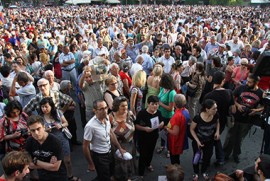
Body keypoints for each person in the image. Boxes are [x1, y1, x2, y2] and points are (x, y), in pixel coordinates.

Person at [223, 73, 264, 163]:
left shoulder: (260, 92)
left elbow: (264, 106)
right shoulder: (241, 87)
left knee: (239, 139)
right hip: (236, 117)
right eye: (247, 81)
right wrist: (237, 105)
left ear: (256, 83)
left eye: (250, 82)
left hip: (247, 120)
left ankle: (236, 155)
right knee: (230, 136)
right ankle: (225, 154)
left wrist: (256, 110)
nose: (247, 83)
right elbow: (232, 96)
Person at [82, 99, 125, 181]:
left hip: (109, 151)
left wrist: (119, 148)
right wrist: (91, 163)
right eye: (101, 109)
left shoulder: (107, 118)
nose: (105, 111)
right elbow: (85, 146)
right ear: (94, 110)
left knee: (110, 173)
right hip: (99, 157)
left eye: (106, 108)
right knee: (104, 177)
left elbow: (111, 133)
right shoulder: (90, 126)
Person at [39, 97, 80, 181]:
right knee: (55, 162)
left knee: (67, 160)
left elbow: (66, 123)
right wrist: (46, 130)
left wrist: (60, 125)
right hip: (50, 142)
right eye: (42, 107)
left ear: (51, 106)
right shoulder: (40, 118)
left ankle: (70, 176)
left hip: (62, 138)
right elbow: (39, 131)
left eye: (46, 106)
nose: (44, 109)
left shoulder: (57, 112)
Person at [203, 71, 236, 166]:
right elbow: (233, 110)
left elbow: (203, 111)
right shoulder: (229, 93)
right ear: (223, 80)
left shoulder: (208, 95)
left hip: (209, 121)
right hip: (222, 121)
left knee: (210, 140)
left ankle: (210, 159)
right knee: (216, 138)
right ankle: (220, 158)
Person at [25, 115, 68, 181]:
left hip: (59, 177)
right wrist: (49, 165)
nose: (36, 133)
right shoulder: (29, 141)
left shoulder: (55, 141)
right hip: (43, 177)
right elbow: (30, 165)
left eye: (38, 129)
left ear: (44, 127)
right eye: (33, 130)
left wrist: (36, 161)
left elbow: (55, 167)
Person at [190, 99, 220, 181]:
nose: (216, 110)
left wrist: (217, 131)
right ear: (207, 109)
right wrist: (197, 141)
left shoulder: (216, 115)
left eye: (216, 108)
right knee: (196, 158)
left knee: (207, 157)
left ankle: (203, 171)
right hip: (198, 141)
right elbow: (192, 129)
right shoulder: (197, 118)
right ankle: (196, 172)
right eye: (214, 109)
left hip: (209, 141)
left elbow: (218, 122)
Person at [135, 95, 164, 177]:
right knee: (143, 154)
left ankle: (148, 164)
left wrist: (161, 124)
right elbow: (136, 125)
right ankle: (141, 172)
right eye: (153, 104)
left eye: (157, 104)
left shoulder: (158, 112)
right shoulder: (142, 113)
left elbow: (162, 121)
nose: (155, 106)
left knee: (150, 152)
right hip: (143, 138)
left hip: (154, 137)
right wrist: (144, 129)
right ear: (148, 104)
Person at [108, 96, 136, 181]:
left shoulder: (130, 114)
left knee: (129, 162)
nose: (125, 107)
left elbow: (135, 122)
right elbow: (108, 132)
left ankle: (128, 177)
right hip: (116, 145)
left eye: (126, 105)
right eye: (122, 106)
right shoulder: (110, 117)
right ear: (117, 106)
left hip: (130, 144)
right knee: (118, 164)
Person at [157, 73, 177, 157]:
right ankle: (162, 146)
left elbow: (171, 108)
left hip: (168, 117)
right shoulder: (162, 88)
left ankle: (169, 149)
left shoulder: (172, 93)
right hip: (161, 115)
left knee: (168, 133)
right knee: (162, 132)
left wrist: (160, 104)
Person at [165, 94, 187, 165]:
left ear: (174, 103)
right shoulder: (185, 111)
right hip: (181, 138)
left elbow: (175, 132)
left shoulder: (177, 116)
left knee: (174, 159)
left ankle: (175, 171)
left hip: (175, 141)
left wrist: (167, 129)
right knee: (176, 157)